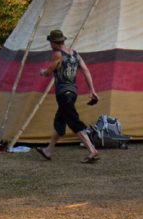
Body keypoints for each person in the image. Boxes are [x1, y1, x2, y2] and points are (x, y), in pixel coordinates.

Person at [37, 29, 101, 163]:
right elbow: (86, 71)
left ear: (55, 42)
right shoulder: (75, 54)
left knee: (73, 121)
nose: (50, 45)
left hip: (63, 94)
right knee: (60, 121)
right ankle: (48, 150)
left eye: (51, 42)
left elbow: (49, 72)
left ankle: (92, 150)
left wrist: (42, 72)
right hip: (72, 93)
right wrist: (92, 90)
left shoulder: (57, 54)